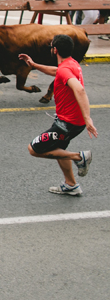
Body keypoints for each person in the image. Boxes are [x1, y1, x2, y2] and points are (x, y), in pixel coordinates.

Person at [19, 35, 97, 196]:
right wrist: (34, 65)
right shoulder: (71, 64)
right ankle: (71, 185)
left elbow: (79, 90)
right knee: (58, 149)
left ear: (55, 50)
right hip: (74, 122)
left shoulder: (65, 70)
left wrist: (88, 118)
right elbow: (57, 71)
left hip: (68, 124)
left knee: (33, 149)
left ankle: (79, 157)